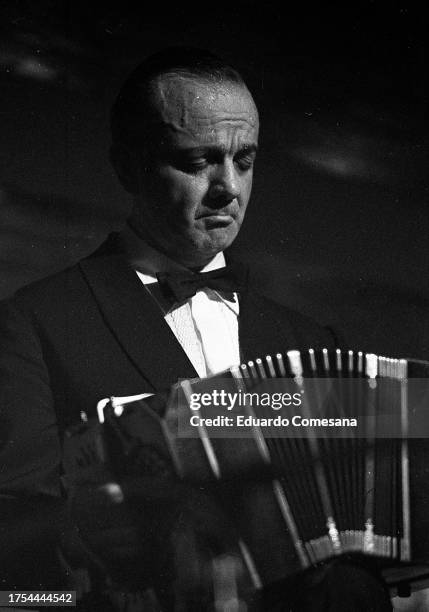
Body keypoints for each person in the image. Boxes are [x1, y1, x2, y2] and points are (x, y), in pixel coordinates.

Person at [0, 47, 392, 610]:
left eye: (245, 160)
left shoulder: (311, 343)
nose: (228, 187)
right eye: (198, 160)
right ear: (127, 166)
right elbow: (16, 564)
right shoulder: (35, 324)